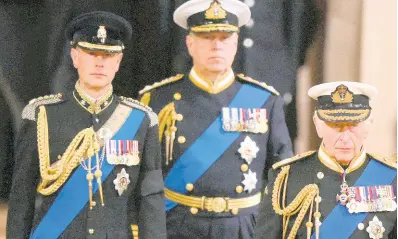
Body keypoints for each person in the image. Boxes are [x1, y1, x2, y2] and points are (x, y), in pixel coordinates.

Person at [138, 0, 293, 238]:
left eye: (224, 38)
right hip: (179, 227)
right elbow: (145, 178)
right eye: (207, 38)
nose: (216, 46)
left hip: (243, 229)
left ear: (235, 43)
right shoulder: (158, 100)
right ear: (190, 43)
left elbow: (282, 179)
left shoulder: (264, 101)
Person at [6, 11, 166, 239]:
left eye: (108, 55)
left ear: (119, 61)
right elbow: (22, 198)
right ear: (74, 57)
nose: (100, 62)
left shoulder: (141, 121)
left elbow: (151, 200)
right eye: (91, 53)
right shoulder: (42, 116)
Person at [254, 81, 397, 239]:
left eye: (353, 125)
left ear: (368, 125)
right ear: (318, 124)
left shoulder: (391, 178)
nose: (345, 137)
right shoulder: (286, 178)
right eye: (336, 125)